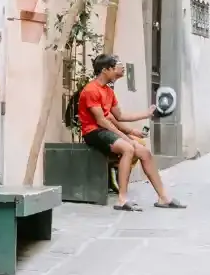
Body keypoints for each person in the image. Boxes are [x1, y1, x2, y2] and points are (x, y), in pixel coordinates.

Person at [77, 54, 185, 212]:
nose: (118, 71)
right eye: (115, 68)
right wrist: (125, 138)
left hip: (107, 130)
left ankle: (163, 198)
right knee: (128, 148)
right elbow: (101, 121)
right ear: (105, 70)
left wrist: (146, 114)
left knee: (145, 152)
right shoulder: (91, 90)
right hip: (93, 132)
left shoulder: (108, 91)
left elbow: (119, 116)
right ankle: (122, 199)